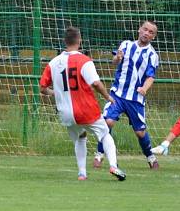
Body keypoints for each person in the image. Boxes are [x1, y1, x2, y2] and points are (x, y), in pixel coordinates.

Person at [40, 26, 126, 181]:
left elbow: (42, 88)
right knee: (105, 134)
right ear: (79, 41)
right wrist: (108, 97)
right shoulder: (84, 60)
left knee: (81, 137)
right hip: (85, 109)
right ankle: (113, 166)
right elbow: (96, 83)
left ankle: (82, 173)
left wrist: (56, 93)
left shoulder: (53, 63)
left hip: (66, 112)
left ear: (64, 42)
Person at [93, 20, 161, 170]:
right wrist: (117, 58)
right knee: (108, 122)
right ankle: (99, 153)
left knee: (140, 132)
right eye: (145, 29)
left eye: (151, 32)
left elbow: (151, 77)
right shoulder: (125, 45)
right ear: (139, 29)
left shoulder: (152, 55)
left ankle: (150, 156)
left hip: (135, 99)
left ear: (153, 37)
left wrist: (144, 88)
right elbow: (115, 61)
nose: (146, 33)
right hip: (117, 94)